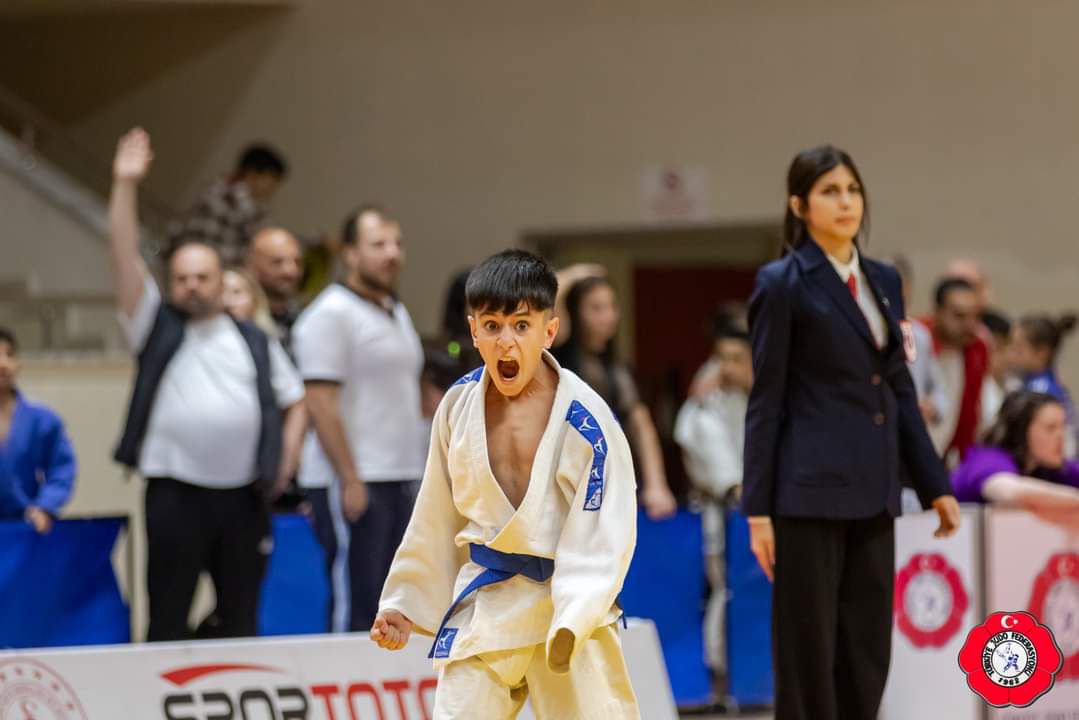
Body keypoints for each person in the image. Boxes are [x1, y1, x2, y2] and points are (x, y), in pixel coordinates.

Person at [371, 250, 640, 719]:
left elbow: (606, 527)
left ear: (549, 331)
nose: (506, 342)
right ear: (473, 330)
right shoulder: (457, 407)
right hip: (488, 602)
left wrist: (576, 611)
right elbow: (435, 512)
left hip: (566, 605)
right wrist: (404, 602)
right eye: (492, 326)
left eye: (521, 325)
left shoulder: (587, 418)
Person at [742, 145, 960, 720]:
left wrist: (935, 483)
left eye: (853, 190)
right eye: (830, 191)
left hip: (873, 487)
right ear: (799, 204)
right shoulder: (782, 283)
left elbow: (899, 388)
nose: (846, 202)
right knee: (808, 653)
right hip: (805, 493)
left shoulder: (883, 278)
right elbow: (766, 400)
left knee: (866, 650)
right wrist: (757, 509)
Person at [109, 128, 306, 641]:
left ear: (223, 280)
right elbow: (123, 253)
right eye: (182, 278)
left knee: (240, 619)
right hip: (174, 496)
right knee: (168, 617)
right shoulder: (156, 326)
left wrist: (282, 464)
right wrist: (125, 185)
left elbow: (295, 400)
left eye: (203, 277)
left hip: (243, 499)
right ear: (171, 284)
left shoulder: (254, 339)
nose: (192, 286)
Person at [293, 206, 425, 633]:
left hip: (399, 474)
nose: (392, 254)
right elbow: (320, 402)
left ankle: (385, 686)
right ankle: (342, 683)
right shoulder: (329, 314)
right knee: (358, 596)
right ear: (350, 254)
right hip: (356, 478)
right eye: (378, 245)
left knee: (395, 598)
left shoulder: (395, 311)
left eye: (397, 244)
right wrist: (349, 476)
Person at [553, 275, 677, 520]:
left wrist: (656, 484)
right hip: (562, 477)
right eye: (596, 308)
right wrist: (577, 272)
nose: (608, 316)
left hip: (605, 480)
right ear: (575, 312)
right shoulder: (556, 358)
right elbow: (548, 309)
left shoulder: (617, 368)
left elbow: (641, 424)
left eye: (611, 306)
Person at [673, 312, 752, 687]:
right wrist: (736, 489)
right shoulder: (706, 401)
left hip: (769, 511)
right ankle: (722, 674)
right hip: (726, 515)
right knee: (727, 587)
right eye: (724, 359)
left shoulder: (769, 394)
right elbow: (698, 443)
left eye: (739, 360)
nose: (729, 369)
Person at [952, 391, 1079, 529]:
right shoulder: (988, 458)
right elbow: (1008, 490)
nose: (1061, 436)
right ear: (1022, 430)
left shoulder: (1048, 467)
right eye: (1051, 428)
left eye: (1063, 426)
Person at [0, 327, 76, 532]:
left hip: (25, 528)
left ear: (18, 364)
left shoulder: (42, 420)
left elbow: (61, 469)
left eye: (9, 355)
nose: (3, 364)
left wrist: (44, 507)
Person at [167, 143, 288, 266]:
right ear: (253, 174)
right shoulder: (230, 198)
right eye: (273, 180)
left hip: (188, 260)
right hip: (194, 263)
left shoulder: (224, 188)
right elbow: (225, 254)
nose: (274, 188)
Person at [922, 277, 990, 463]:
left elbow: (970, 411)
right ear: (937, 312)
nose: (970, 325)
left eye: (976, 316)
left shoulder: (977, 348)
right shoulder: (916, 339)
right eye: (959, 316)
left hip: (943, 456)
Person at [1008, 313, 1079, 456]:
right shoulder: (1039, 383)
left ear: (1042, 352)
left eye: (1019, 347)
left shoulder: (1040, 392)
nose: (1011, 352)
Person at [247, 227, 304, 355]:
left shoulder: (305, 319)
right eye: (277, 262)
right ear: (253, 267)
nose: (290, 271)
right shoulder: (243, 320)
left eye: (297, 262)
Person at [223, 267, 277, 337]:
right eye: (221, 293)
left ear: (254, 297)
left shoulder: (266, 335)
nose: (228, 300)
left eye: (237, 292)